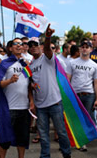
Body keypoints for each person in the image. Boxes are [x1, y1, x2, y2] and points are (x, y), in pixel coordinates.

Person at [28, 24, 71, 158]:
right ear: (28, 50)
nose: (33, 47)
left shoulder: (47, 58)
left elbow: (47, 48)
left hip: (55, 103)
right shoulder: (30, 66)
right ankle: (45, 156)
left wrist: (47, 37)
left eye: (36, 44)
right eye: (30, 45)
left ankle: (66, 154)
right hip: (40, 106)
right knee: (44, 135)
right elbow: (29, 83)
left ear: (40, 47)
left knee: (61, 132)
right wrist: (32, 88)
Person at [0, 37, 34, 158]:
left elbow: (29, 85)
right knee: (5, 138)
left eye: (21, 44)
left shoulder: (26, 65)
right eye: (15, 44)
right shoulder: (5, 64)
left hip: (24, 107)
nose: (19, 45)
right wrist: (10, 80)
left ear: (23, 47)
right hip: (9, 108)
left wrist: (32, 101)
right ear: (10, 48)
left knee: (22, 138)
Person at [66, 41, 97, 151]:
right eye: (83, 47)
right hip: (75, 94)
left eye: (87, 47)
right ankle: (79, 140)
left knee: (87, 117)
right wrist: (67, 94)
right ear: (80, 49)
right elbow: (68, 78)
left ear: (91, 49)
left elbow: (96, 82)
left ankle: (84, 140)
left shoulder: (94, 65)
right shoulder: (72, 63)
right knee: (76, 118)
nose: (85, 49)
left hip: (89, 95)